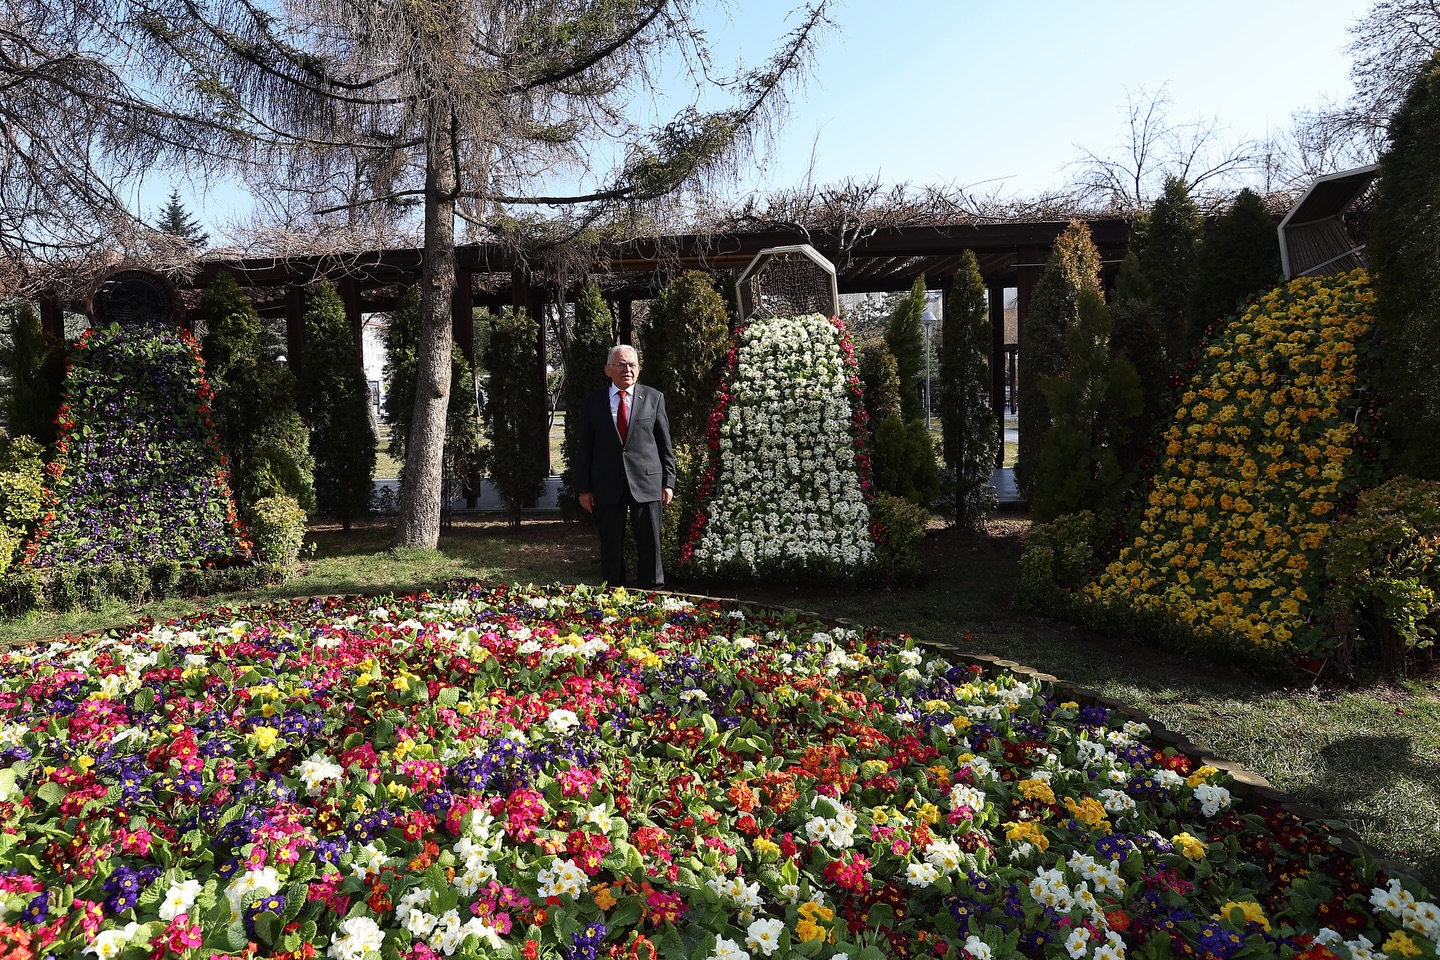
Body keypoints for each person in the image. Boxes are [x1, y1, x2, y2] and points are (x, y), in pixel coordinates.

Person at [575, 344, 676, 588]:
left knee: (650, 544)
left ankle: (653, 593)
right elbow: (584, 448)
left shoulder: (653, 398)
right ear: (608, 369)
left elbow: (665, 445)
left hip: (647, 482)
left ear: (639, 369)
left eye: (632, 364)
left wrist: (668, 482)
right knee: (611, 545)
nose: (627, 369)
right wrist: (584, 488)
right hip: (607, 483)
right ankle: (613, 593)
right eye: (620, 364)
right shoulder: (593, 402)